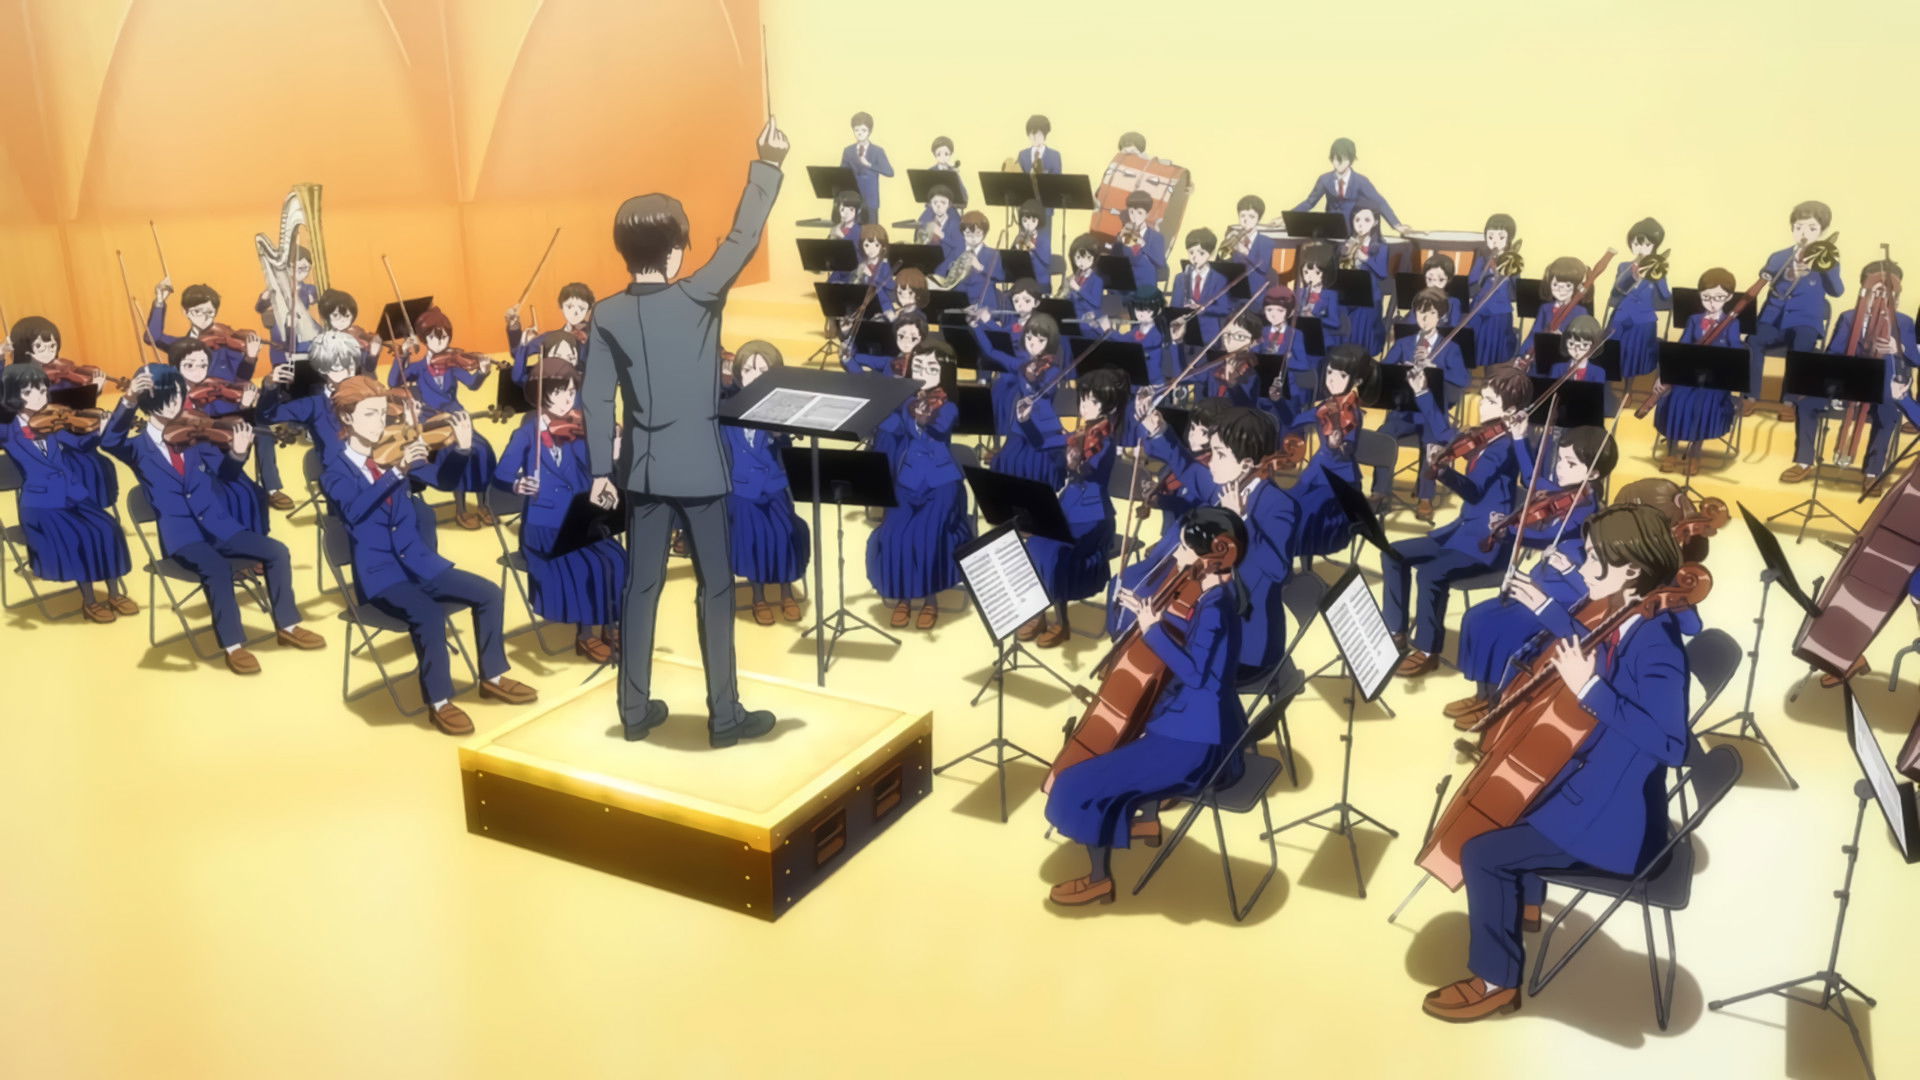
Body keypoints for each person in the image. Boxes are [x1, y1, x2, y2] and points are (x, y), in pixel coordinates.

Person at [1423, 504, 1691, 1022]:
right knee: (1510, 798)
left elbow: (1672, 745)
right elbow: (1594, 645)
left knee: (1482, 853)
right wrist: (1547, 607)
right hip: (1594, 783)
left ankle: (1496, 982)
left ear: (1631, 569)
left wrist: (1590, 690)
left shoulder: (1657, 645)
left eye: (1594, 559)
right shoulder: (1627, 615)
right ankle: (1524, 904)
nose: (1583, 568)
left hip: (1613, 819)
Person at [581, 115, 789, 748]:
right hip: (699, 467)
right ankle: (724, 717)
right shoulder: (698, 295)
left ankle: (633, 711)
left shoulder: (606, 313)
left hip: (642, 471)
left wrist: (599, 470)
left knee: (640, 588)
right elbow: (743, 237)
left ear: (624, 251)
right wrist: (768, 163)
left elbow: (596, 396)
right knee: (716, 590)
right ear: (675, 251)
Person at [1045, 507, 1251, 906]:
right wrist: (1148, 615)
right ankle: (1146, 822)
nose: (1178, 555)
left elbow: (1195, 673)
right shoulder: (1213, 597)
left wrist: (1152, 629)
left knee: (1077, 782)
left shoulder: (1215, 608)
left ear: (1220, 551)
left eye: (1187, 549)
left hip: (1198, 744)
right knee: (1131, 745)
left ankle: (1099, 880)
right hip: (1200, 727)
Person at [323, 376, 536, 734]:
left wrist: (462, 450)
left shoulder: (393, 449)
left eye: (383, 414)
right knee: (428, 615)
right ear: (347, 418)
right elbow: (355, 512)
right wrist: (396, 472)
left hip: (421, 564)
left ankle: (493, 678)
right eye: (370, 414)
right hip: (381, 577)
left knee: (489, 593)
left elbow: (445, 481)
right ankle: (439, 702)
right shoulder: (335, 470)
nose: (380, 422)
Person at [102, 365, 324, 674]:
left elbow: (225, 475)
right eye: (167, 396)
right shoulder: (137, 448)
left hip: (221, 526)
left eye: (178, 395)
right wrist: (127, 400)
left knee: (277, 551)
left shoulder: (196, 435)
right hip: (183, 538)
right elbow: (109, 441)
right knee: (217, 568)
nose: (175, 403)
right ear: (148, 400)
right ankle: (234, 646)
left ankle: (287, 626)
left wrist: (237, 453)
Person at [1444, 426, 1620, 728]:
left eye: (1570, 464)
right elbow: (1532, 477)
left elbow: (1545, 537)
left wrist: (1507, 530)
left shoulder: (1585, 511)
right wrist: (1519, 436)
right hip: (1538, 585)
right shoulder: (1564, 493)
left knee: (1499, 632)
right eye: (1560, 460)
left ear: (1593, 474)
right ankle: (1482, 694)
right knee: (1475, 618)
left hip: (1560, 598)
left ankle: (1497, 702)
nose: (1560, 469)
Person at [1386, 365, 1534, 677]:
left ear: (1510, 412)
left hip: (1485, 542)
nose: (1481, 404)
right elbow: (1446, 434)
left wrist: (1442, 471)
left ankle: (1428, 650)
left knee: (1430, 574)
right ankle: (1396, 631)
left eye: (1490, 401)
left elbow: (1474, 491)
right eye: (1482, 396)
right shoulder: (1485, 437)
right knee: (1393, 553)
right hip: (1460, 532)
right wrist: (1422, 391)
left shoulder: (1505, 448)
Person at [495, 358, 628, 661]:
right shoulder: (526, 435)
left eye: (571, 392)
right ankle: (585, 635)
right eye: (560, 392)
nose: (568, 399)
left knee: (617, 559)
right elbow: (501, 475)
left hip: (578, 520)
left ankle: (611, 625)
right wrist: (518, 484)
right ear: (541, 393)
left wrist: (611, 456)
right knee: (586, 566)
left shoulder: (577, 431)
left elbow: (594, 470)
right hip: (543, 527)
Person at [0, 363, 134, 622]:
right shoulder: (8, 429)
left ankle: (114, 594)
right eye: (29, 391)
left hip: (73, 495)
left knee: (109, 528)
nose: (39, 396)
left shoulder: (53, 420)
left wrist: (102, 428)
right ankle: (90, 602)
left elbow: (80, 443)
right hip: (41, 505)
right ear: (13, 395)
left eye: (42, 389)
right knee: (82, 536)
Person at [1782, 260, 1919, 487]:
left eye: (1887, 292)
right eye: (1876, 291)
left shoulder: (1903, 322)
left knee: (1888, 415)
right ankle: (1804, 461)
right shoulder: (1848, 317)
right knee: (1806, 404)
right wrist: (1835, 384)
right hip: (1848, 385)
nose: (1881, 297)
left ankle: (1873, 472)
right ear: (1864, 290)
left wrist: (1898, 348)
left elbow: (1915, 358)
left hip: (1884, 389)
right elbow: (1833, 353)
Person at [867, 338, 973, 630]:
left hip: (941, 485)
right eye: (919, 366)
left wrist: (914, 409)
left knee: (927, 539)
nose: (924, 373)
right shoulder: (906, 401)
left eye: (932, 368)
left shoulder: (948, 407)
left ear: (945, 373)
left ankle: (930, 600)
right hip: (908, 480)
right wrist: (873, 413)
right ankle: (903, 597)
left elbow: (937, 427)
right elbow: (889, 427)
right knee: (893, 536)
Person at [1023, 367, 1127, 648]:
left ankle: (1062, 623)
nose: (1084, 406)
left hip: (1094, 516)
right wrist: (1026, 421)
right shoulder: (1079, 435)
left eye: (1092, 401)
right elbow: (1042, 443)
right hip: (1068, 505)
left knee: (1054, 551)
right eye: (1083, 399)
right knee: (1033, 544)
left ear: (1109, 408)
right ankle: (1039, 612)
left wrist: (1075, 459)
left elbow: (1091, 469)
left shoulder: (1106, 441)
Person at [720, 342, 809, 626]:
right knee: (752, 539)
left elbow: (787, 448)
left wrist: (780, 432)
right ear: (738, 374)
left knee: (785, 533)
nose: (755, 376)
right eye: (748, 370)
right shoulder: (726, 407)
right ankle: (758, 596)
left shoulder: (781, 409)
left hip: (773, 484)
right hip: (740, 487)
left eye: (762, 370)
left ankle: (786, 592)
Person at [387, 306, 500, 529]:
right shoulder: (418, 368)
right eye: (433, 337)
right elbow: (393, 381)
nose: (440, 342)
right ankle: (461, 509)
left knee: (482, 450)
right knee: (454, 454)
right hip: (431, 421)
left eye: (444, 337)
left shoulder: (452, 364)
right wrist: (404, 353)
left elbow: (472, 384)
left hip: (456, 417)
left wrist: (483, 372)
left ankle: (483, 504)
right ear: (424, 339)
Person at [1374, 287, 1468, 521]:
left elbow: (1462, 380)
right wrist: (1401, 369)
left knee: (1431, 442)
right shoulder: (1404, 343)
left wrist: (1436, 370)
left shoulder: (1451, 347)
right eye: (1420, 313)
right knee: (1384, 435)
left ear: (1441, 317)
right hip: (1404, 413)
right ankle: (1380, 492)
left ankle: (1425, 497)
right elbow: (1383, 370)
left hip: (1432, 415)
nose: (1425, 319)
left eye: (1431, 313)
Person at [6, 316, 118, 510]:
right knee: (78, 463)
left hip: (68, 433)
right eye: (40, 346)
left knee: (96, 462)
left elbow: (76, 414)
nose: (49, 351)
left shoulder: (65, 378)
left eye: (52, 345)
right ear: (25, 349)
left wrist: (93, 391)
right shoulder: (18, 377)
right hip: (45, 442)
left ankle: (92, 509)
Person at [1748, 200, 1844, 418]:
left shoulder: (1827, 260)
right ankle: (1750, 397)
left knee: (1801, 348)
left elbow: (1837, 291)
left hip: (1805, 321)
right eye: (1799, 227)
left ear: (1821, 232)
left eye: (1811, 228)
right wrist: (1789, 275)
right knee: (1754, 341)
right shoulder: (1779, 256)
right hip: (1774, 320)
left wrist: (1823, 266)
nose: (1804, 233)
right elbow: (1769, 280)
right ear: (1792, 228)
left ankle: (1789, 402)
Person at [1285, 345, 1374, 564]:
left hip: (1340, 482)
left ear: (1356, 381)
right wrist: (1280, 402)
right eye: (1330, 372)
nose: (1332, 379)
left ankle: (1296, 560)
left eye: (1341, 375)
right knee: (1285, 506)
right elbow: (1294, 421)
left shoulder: (1353, 413)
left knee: (1306, 513)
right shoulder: (1324, 407)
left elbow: (1348, 449)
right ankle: (1285, 558)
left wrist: (1337, 445)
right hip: (1315, 474)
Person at [1655, 268, 1742, 475]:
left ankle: (1695, 454)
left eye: (1719, 297)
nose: (1712, 303)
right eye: (1707, 297)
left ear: (1729, 297)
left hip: (1715, 380)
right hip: (1689, 375)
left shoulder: (1732, 323)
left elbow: (1736, 352)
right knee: (1675, 398)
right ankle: (1672, 451)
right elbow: (1682, 347)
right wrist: (1665, 375)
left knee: (1702, 404)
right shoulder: (1694, 320)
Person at [975, 313, 1067, 488]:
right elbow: (992, 352)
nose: (1032, 344)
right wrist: (976, 326)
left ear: (1050, 343)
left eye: (1040, 340)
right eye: (1029, 338)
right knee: (1006, 461)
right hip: (1020, 426)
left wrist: (1031, 381)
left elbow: (1047, 393)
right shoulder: (1021, 365)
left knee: (1033, 469)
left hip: (1042, 430)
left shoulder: (1053, 370)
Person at [258, 329, 366, 460]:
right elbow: (266, 416)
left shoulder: (364, 393)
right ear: (324, 369)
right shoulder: (313, 404)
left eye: (351, 367)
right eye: (339, 368)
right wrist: (270, 385)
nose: (348, 374)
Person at [1292, 137, 1412, 234]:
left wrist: (1396, 225)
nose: (1339, 163)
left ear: (1351, 160)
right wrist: (1289, 217)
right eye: (1336, 159)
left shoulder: (1361, 181)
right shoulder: (1324, 179)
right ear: (1331, 159)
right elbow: (1309, 202)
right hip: (1329, 232)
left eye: (1343, 159)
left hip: (1354, 232)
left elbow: (1379, 202)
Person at [1608, 218, 1670, 385]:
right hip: (1622, 314)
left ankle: (1629, 389)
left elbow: (1665, 295)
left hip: (1643, 318)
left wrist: (1660, 274)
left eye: (1647, 244)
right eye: (1636, 243)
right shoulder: (1624, 266)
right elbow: (1616, 291)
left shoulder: (1657, 268)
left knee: (1636, 353)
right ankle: (1611, 386)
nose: (1641, 248)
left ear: (1655, 246)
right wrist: (1633, 277)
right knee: (1612, 348)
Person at [507, 282, 595, 383]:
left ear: (589, 309)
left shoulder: (595, 337)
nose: (575, 312)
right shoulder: (550, 337)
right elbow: (517, 352)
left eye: (581, 308)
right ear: (561, 307)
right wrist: (514, 325)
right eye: (569, 306)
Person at [1467, 214, 1520, 369]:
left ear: (1509, 239)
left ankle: (1492, 371)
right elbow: (1472, 281)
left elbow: (1517, 287)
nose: (1495, 241)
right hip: (1479, 306)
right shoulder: (1482, 259)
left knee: (1495, 339)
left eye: (1501, 237)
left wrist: (1508, 273)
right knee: (1472, 332)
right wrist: (1485, 272)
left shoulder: (1512, 260)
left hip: (1500, 309)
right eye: (1490, 237)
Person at [1518, 256, 1592, 365]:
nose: (1560, 290)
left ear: (1577, 287)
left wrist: (1562, 338)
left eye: (1567, 285)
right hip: (1542, 355)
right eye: (1555, 284)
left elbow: (1582, 342)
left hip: (1565, 360)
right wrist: (1522, 355)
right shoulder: (1545, 308)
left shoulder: (1581, 312)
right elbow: (1534, 334)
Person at [1340, 203, 1391, 356]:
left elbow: (1382, 273)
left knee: (1361, 317)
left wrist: (1366, 259)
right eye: (1357, 220)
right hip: (1348, 295)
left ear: (1375, 222)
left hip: (1370, 297)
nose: (1361, 224)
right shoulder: (1348, 242)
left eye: (1367, 220)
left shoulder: (1381, 247)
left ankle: (1360, 354)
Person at [839, 111, 893, 224]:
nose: (860, 133)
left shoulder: (877, 151)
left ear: (870, 131)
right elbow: (842, 173)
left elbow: (889, 172)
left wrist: (869, 165)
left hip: (871, 200)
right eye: (856, 130)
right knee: (853, 230)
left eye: (863, 130)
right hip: (852, 199)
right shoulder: (848, 151)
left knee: (871, 231)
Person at [1017, 114, 1062, 240]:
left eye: (1037, 134)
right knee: (1024, 244)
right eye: (1031, 134)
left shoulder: (1054, 155)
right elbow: (1018, 181)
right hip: (1026, 209)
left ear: (1045, 134)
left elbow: (1058, 183)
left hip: (1045, 209)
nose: (1034, 137)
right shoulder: (1023, 155)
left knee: (1043, 244)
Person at [1116, 191, 1169, 290]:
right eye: (1131, 212)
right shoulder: (1122, 235)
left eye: (1139, 213)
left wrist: (1143, 244)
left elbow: (1161, 265)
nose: (1134, 217)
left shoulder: (1156, 237)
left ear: (1147, 214)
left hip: (1146, 288)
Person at [927, 135, 968, 206]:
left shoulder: (953, 172)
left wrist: (956, 177)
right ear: (934, 154)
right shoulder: (930, 172)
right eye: (939, 154)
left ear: (950, 154)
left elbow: (964, 197)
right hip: (934, 207)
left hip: (950, 207)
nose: (942, 157)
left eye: (946, 154)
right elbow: (926, 197)